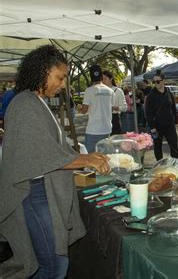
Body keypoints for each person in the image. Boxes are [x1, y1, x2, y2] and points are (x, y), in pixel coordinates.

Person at [0, 45, 110, 278]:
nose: (62, 84)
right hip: (34, 192)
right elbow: (36, 155)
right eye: (59, 77)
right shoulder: (25, 104)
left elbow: (49, 147)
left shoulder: (38, 102)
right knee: (53, 265)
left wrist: (82, 155)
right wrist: (84, 159)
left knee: (53, 262)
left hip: (42, 191)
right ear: (42, 71)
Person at [77, 64, 115, 153]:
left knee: (89, 157)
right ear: (101, 76)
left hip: (93, 130)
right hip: (106, 129)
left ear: (91, 77)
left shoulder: (89, 91)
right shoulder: (110, 91)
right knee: (104, 156)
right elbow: (111, 108)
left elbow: (84, 110)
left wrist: (79, 108)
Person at [145, 72, 178, 161]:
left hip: (169, 124)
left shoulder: (169, 93)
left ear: (163, 81)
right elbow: (148, 112)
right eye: (154, 82)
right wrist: (152, 126)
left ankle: (175, 164)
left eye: (158, 81)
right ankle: (159, 165)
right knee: (157, 146)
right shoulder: (151, 95)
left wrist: (176, 122)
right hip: (157, 126)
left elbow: (173, 109)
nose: (156, 83)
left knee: (174, 146)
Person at [102, 70, 127, 134]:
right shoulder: (100, 91)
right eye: (102, 79)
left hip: (114, 119)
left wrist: (113, 108)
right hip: (102, 119)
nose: (103, 81)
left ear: (111, 79)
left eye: (105, 79)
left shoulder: (118, 91)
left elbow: (124, 108)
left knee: (114, 141)